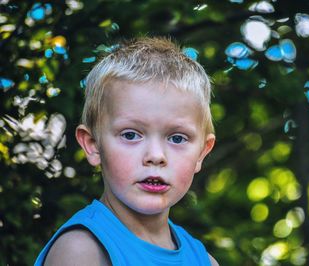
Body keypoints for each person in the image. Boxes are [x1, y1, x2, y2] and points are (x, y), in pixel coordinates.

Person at [34, 37, 217, 266]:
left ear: (202, 152)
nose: (156, 156)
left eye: (177, 138)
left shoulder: (203, 261)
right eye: (130, 135)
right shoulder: (82, 251)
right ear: (92, 144)